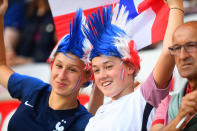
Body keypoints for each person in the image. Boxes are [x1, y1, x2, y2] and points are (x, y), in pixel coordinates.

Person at [84, 0, 184, 130]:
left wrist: (176, 7)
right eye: (96, 70)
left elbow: (169, 53)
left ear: (130, 67)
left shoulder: (143, 97)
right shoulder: (98, 115)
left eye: (108, 66)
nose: (102, 75)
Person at [0, 0, 92, 130]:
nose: (62, 75)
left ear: (87, 76)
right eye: (59, 66)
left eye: (72, 70)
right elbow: (1, 66)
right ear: (51, 65)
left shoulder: (85, 124)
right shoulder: (34, 89)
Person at [151, 21, 197, 131]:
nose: (182, 56)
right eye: (176, 48)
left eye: (190, 46)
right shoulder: (169, 103)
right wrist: (180, 118)